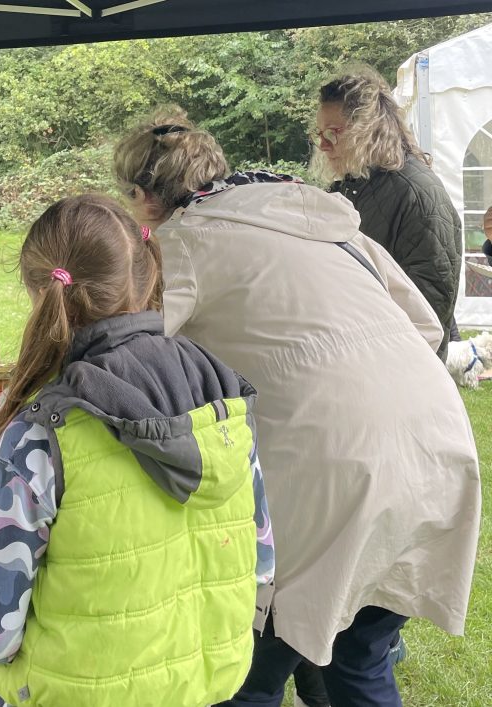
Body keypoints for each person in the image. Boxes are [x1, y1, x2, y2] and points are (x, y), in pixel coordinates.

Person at [114, 108, 481, 707]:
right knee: (358, 662)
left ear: (141, 197)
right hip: (433, 447)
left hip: (331, 471)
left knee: (245, 672)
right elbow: (424, 325)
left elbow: (131, 358)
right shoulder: (324, 223)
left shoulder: (184, 243)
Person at [0, 194, 275, 707]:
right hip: (204, 683)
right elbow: (260, 564)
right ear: (146, 275)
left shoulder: (43, 430)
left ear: (40, 295)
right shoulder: (224, 394)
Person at [314, 67, 461, 360]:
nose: (323, 145)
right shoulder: (354, 184)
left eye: (333, 132)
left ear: (368, 128)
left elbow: (428, 309)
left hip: (399, 366)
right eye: (319, 133)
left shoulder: (415, 193)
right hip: (360, 357)